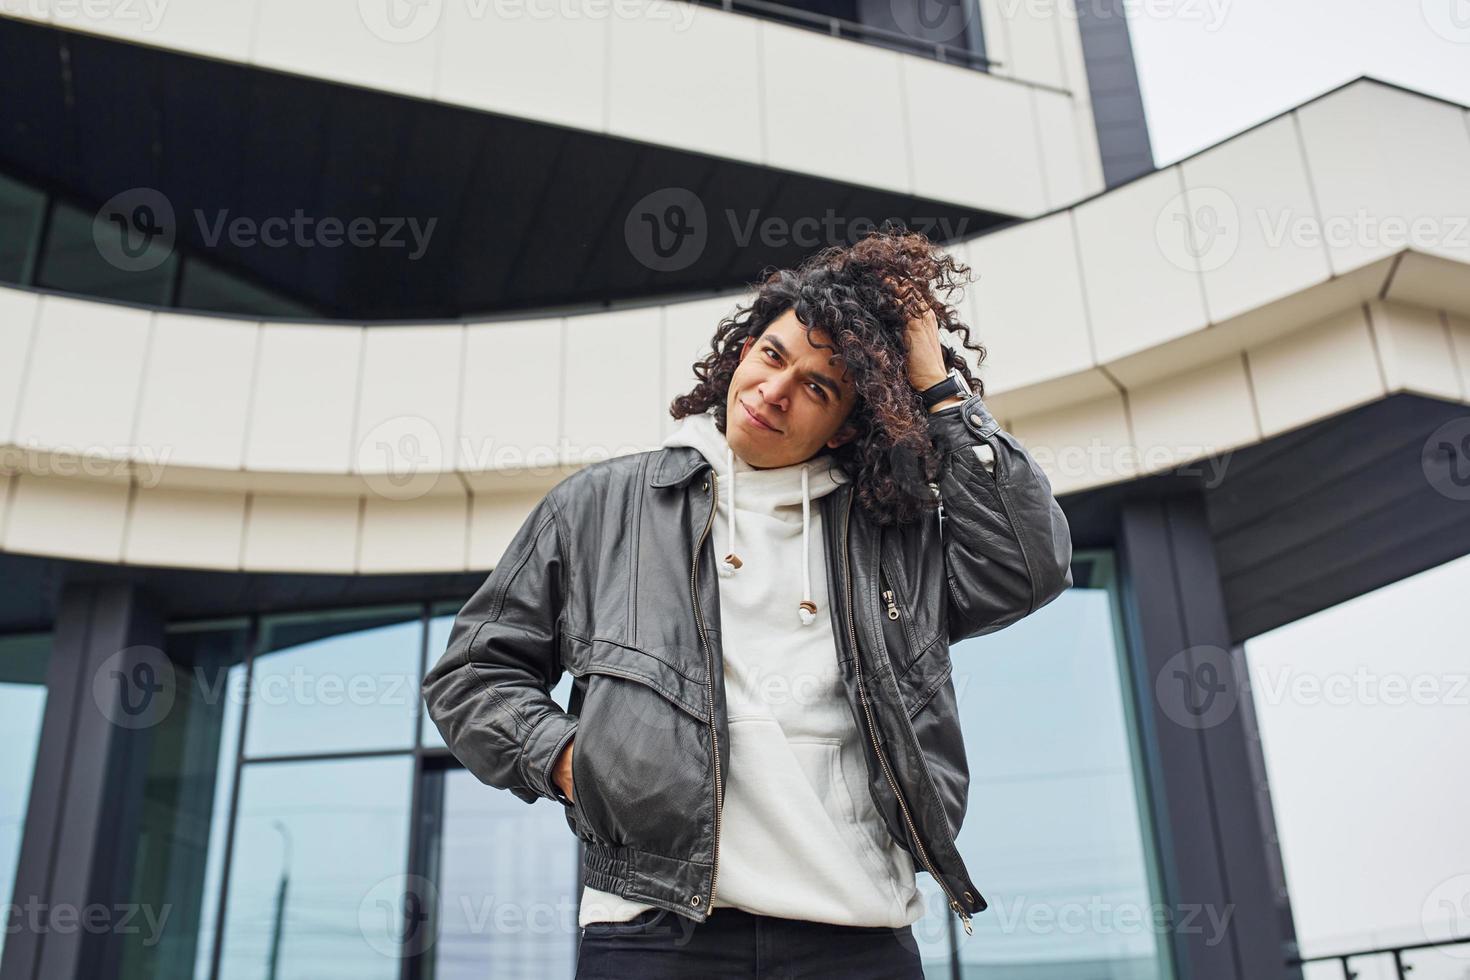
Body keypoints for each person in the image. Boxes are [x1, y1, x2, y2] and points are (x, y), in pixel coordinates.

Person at [422, 227, 1074, 978]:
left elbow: (1028, 565)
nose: (774, 392)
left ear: (849, 426)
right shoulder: (602, 506)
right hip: (656, 933)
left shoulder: (891, 538)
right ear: (743, 349)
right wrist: (574, 763)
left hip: (857, 939)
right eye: (773, 355)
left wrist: (935, 384)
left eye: (818, 387)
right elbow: (471, 675)